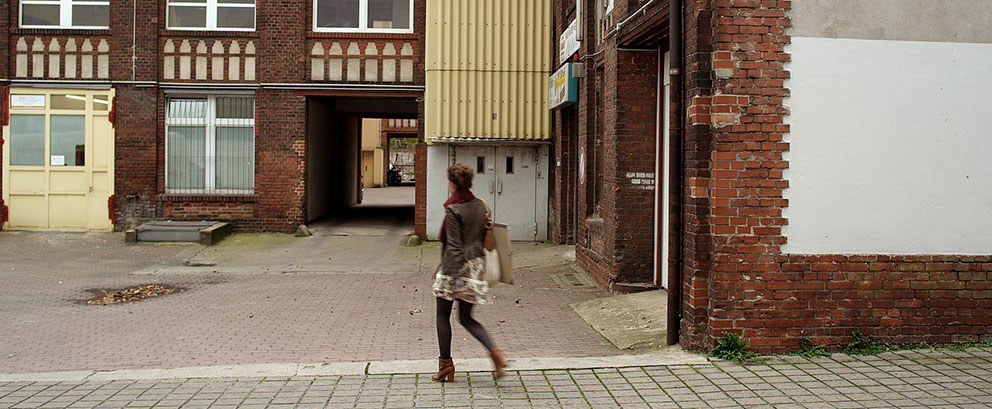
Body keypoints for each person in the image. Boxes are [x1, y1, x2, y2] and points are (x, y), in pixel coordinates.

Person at [431, 164, 508, 382]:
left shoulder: (453, 209)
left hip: (455, 268)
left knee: (442, 315)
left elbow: (454, 247)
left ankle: (446, 365)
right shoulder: (479, 204)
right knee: (466, 318)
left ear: (452, 184)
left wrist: (450, 278)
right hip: (476, 267)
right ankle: (495, 352)